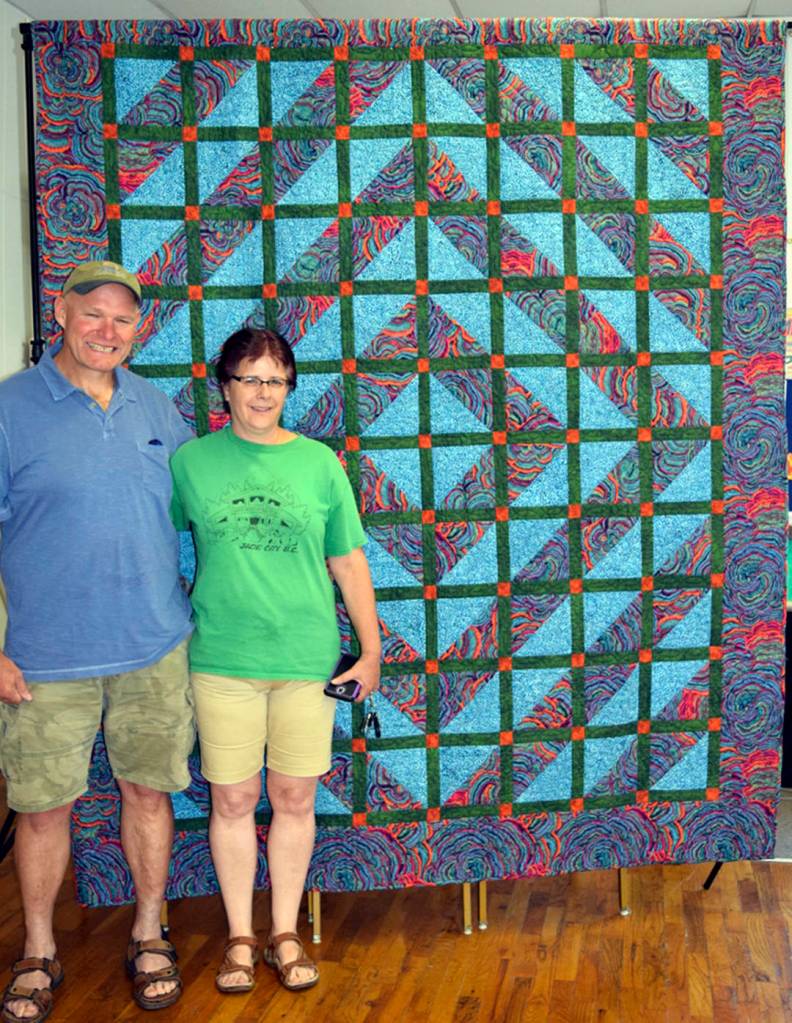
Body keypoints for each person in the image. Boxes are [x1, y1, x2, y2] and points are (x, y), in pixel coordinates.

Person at [0, 261, 195, 1021]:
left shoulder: (156, 405)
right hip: (46, 660)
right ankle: (38, 949)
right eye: (93, 313)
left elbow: (202, 506)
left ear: (138, 328)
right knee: (43, 808)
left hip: (154, 647)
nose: (107, 330)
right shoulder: (10, 408)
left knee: (148, 792)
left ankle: (149, 932)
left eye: (122, 318)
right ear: (62, 312)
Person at [170, 327, 380, 993]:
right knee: (232, 798)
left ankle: (284, 932)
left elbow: (348, 560)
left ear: (289, 387)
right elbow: (157, 544)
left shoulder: (319, 463)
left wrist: (371, 650)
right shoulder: (191, 462)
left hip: (305, 660)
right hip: (220, 659)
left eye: (275, 380)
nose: (262, 392)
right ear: (224, 386)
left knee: (294, 796)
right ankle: (240, 936)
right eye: (249, 378)